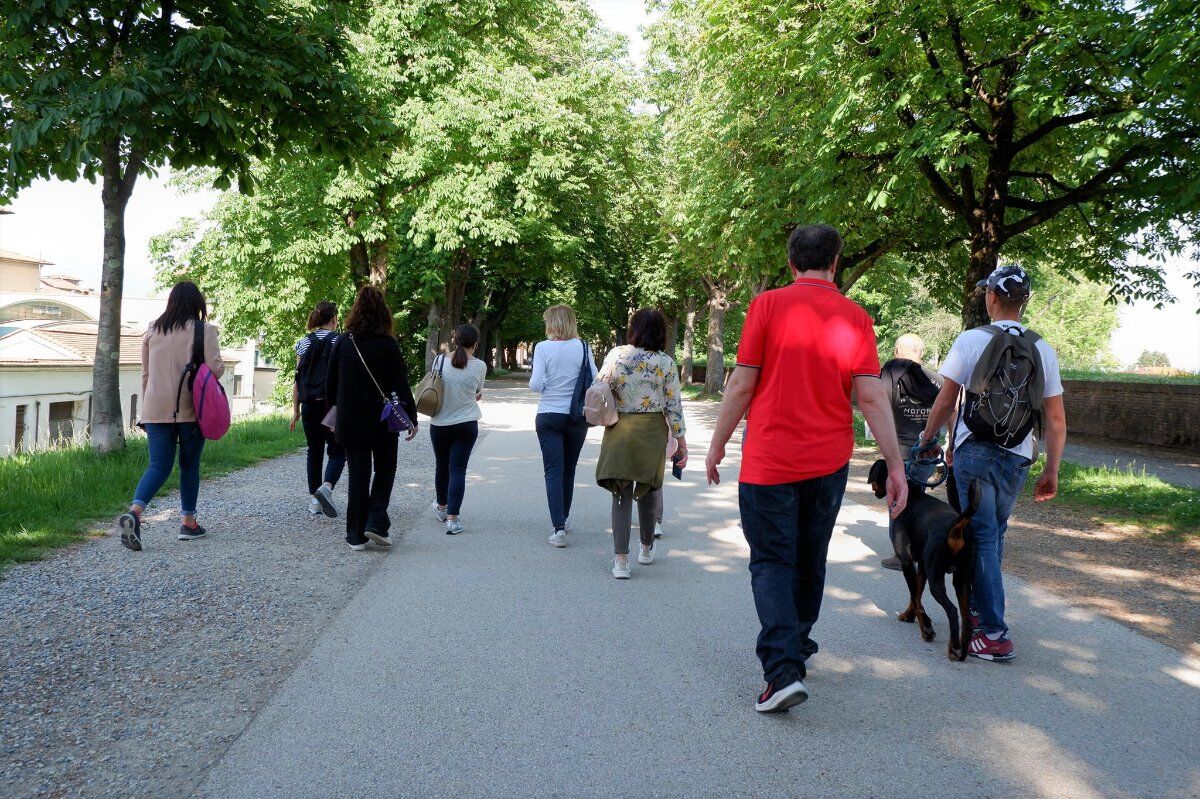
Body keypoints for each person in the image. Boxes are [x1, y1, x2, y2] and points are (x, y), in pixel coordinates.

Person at [704, 224, 908, 713]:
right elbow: (872, 395)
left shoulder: (767, 306)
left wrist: (717, 445)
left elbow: (740, 386)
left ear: (790, 261)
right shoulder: (856, 318)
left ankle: (781, 673)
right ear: (835, 263)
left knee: (772, 561)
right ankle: (797, 646)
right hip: (827, 463)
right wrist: (897, 466)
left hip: (769, 462)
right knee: (810, 557)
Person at [915, 264, 1065, 663]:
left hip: (975, 450)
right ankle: (980, 609)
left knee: (980, 536)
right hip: (1018, 454)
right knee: (993, 534)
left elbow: (946, 400)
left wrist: (928, 440)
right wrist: (1052, 469)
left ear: (992, 297)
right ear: (1024, 300)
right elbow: (1055, 419)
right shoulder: (1042, 348)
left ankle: (995, 634)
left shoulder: (971, 340)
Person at [117, 282, 225, 552]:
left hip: (155, 409)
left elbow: (145, 374)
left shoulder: (152, 329)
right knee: (189, 465)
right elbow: (216, 370)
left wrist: (147, 408)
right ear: (197, 303)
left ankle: (135, 512)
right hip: (191, 411)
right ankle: (188, 523)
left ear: (171, 302)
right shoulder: (205, 330)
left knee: (158, 466)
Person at [325, 286, 418, 551]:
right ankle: (376, 519)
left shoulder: (343, 342)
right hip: (383, 421)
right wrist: (411, 417)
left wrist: (336, 414)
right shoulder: (388, 344)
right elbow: (401, 383)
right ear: (384, 313)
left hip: (351, 421)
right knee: (386, 469)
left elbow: (330, 387)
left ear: (355, 310)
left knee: (358, 475)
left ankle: (355, 535)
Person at [595, 309, 687, 579]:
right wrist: (681, 441)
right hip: (651, 431)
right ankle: (646, 548)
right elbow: (674, 406)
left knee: (620, 493)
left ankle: (621, 561)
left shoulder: (617, 355)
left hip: (619, 428)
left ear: (633, 329)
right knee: (648, 490)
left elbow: (598, 386)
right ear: (661, 332)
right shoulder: (666, 362)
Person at [530, 305, 597, 548]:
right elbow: (595, 378)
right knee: (569, 468)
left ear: (553, 323)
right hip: (576, 416)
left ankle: (557, 527)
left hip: (548, 414)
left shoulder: (542, 348)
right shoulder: (583, 346)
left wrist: (551, 382)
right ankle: (565, 518)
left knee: (553, 470)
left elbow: (536, 385)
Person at [878, 333, 943, 570]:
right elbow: (953, 407)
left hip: (900, 450)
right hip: (927, 451)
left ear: (896, 352)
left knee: (897, 500)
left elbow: (879, 405)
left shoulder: (889, 374)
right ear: (922, 353)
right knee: (916, 500)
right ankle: (916, 548)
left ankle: (901, 553)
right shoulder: (937, 380)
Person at [429, 324, 487, 535]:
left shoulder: (439, 361)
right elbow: (477, 392)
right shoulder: (480, 366)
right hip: (466, 424)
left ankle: (442, 507)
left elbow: (434, 386)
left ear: (455, 340)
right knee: (458, 470)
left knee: (441, 466)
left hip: (440, 424)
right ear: (476, 343)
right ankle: (453, 520)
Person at [290, 301, 345, 518]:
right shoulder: (340, 342)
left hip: (309, 405)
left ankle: (315, 500)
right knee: (338, 451)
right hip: (332, 406)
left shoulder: (303, 343)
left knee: (314, 451)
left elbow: (297, 379)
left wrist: (296, 410)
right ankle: (326, 488)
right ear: (334, 319)